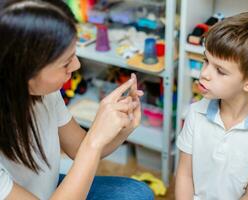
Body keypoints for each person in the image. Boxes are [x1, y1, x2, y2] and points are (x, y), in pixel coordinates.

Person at [0, 0, 154, 199]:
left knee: (136, 193)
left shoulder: (43, 92)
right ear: (22, 72)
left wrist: (123, 127)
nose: (77, 65)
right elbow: (89, 147)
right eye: (65, 63)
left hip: (50, 190)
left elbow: (78, 148)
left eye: (74, 54)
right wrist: (95, 140)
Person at [176, 12, 248, 200]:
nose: (204, 74)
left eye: (220, 70)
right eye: (206, 61)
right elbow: (184, 175)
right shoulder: (195, 113)